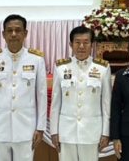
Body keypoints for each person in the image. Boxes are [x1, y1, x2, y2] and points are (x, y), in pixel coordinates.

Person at [0, 14, 47, 161]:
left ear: (25, 33)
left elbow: (41, 96)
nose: (13, 34)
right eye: (9, 30)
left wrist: (40, 127)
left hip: (26, 129)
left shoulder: (36, 60)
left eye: (18, 30)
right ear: (3, 34)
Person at [50, 26, 111, 161]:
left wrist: (105, 132)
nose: (81, 46)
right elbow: (55, 102)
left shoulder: (102, 68)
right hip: (66, 132)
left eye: (86, 42)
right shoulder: (61, 67)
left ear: (92, 45)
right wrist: (54, 131)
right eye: (77, 42)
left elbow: (106, 104)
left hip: (91, 132)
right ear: (71, 44)